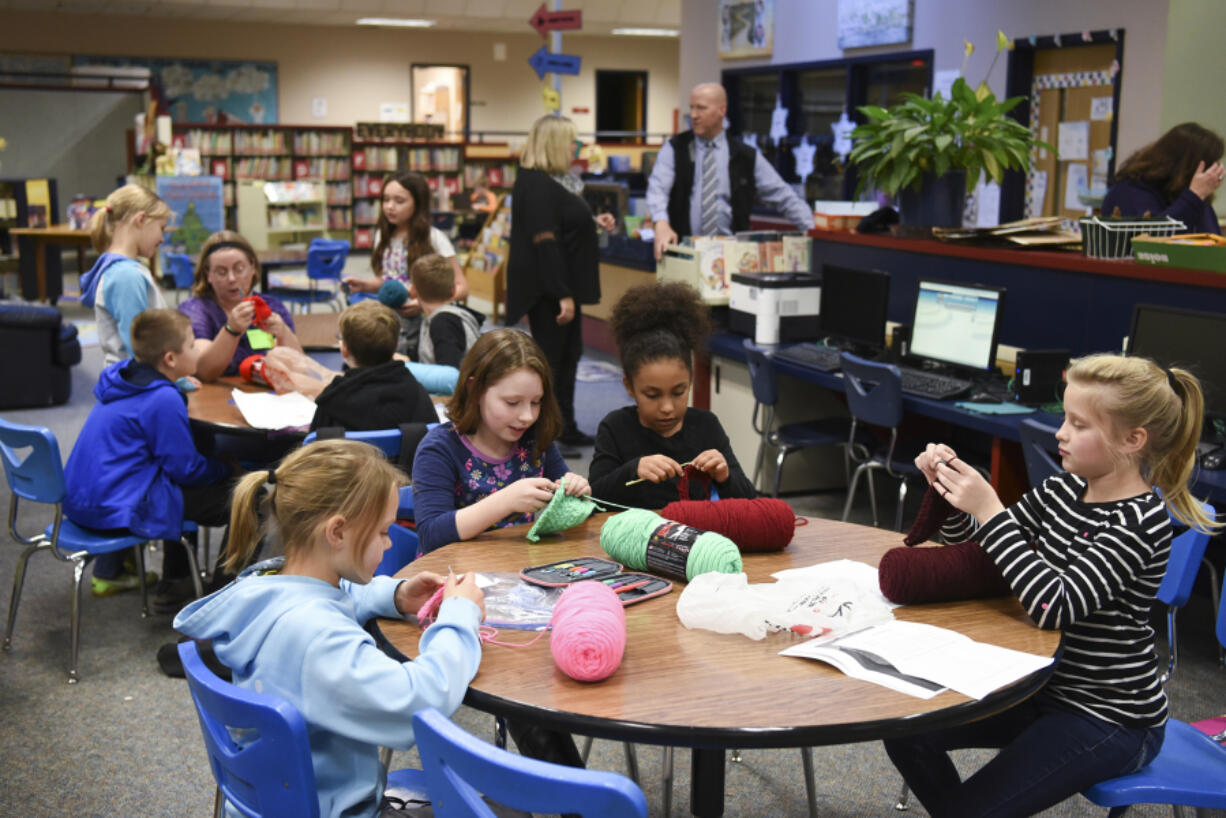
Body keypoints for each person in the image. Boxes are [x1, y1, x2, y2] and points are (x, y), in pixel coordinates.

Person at [882, 353, 1220, 818]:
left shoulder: (1141, 522)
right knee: (906, 730)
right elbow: (986, 558)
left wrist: (990, 509)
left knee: (972, 810)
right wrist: (955, 497)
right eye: (1065, 418)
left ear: (1132, 439)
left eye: (1079, 425)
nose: (1060, 433)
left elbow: (1052, 605)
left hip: (1109, 715)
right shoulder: (1063, 489)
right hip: (1042, 689)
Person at [174, 439, 485, 818]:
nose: (389, 544)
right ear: (337, 532)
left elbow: (337, 595)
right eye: (384, 532)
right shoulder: (318, 638)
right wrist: (459, 617)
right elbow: (418, 702)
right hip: (337, 809)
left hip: (282, 800)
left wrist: (398, 594)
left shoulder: (265, 585)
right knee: (502, 809)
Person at [63, 309, 233, 611]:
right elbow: (185, 470)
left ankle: (178, 580)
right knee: (249, 496)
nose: (197, 350)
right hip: (115, 508)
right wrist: (228, 469)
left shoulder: (125, 378)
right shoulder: (162, 400)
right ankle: (223, 598)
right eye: (192, 345)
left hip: (83, 500)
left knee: (178, 484)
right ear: (170, 359)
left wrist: (174, 388)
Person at [412, 327, 591, 556]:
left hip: (511, 570)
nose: (527, 416)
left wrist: (577, 492)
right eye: (512, 402)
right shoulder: (440, 448)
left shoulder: (534, 441)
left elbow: (577, 518)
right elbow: (431, 536)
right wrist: (506, 501)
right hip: (452, 576)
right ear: (474, 390)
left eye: (536, 402)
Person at [588, 282, 757, 508]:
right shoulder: (615, 427)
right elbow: (592, 498)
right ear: (629, 386)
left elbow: (750, 502)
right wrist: (632, 470)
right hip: (633, 537)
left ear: (690, 380)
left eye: (679, 392)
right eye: (652, 395)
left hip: (693, 536)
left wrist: (724, 475)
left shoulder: (706, 426)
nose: (667, 407)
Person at [507, 114, 616, 448]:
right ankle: (546, 435)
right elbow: (546, 242)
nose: (576, 147)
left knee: (570, 357)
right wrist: (562, 295)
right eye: (572, 141)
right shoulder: (537, 182)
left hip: (562, 284)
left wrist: (593, 222)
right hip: (549, 288)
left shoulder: (556, 180)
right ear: (555, 144)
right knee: (552, 362)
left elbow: (563, 223)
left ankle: (565, 426)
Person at [647, 82, 814, 261]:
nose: (694, 115)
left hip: (731, 257)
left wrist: (813, 230)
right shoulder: (675, 148)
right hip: (683, 254)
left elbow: (783, 195)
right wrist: (661, 223)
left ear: (722, 110)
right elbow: (658, 189)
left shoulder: (745, 155)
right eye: (692, 108)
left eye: (701, 108)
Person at [343, 172, 469, 358]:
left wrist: (423, 303)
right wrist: (366, 285)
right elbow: (390, 279)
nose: (390, 207)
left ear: (417, 204)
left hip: (424, 326)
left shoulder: (433, 238)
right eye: (385, 200)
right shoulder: (382, 236)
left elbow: (462, 287)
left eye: (399, 201)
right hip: (390, 326)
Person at [178, 230, 302, 381]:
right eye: (221, 272)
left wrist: (283, 333)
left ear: (252, 268)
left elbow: (300, 368)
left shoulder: (271, 306)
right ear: (208, 275)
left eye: (239, 269)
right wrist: (231, 330)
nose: (231, 278)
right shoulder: (195, 311)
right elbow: (203, 371)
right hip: (213, 397)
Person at [80, 183, 173, 366]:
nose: (162, 238)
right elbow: (140, 344)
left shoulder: (121, 269)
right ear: (141, 220)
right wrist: (173, 378)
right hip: (138, 383)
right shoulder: (126, 276)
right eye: (161, 228)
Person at [309, 299, 437, 431]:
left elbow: (312, 447)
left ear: (344, 350)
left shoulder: (331, 401)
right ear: (396, 346)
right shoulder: (416, 393)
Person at [1101, 122, 1225, 234]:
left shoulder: (1181, 191)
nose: (1210, 174)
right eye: (1209, 166)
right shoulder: (1130, 190)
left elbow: (1212, 242)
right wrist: (1195, 196)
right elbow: (1152, 240)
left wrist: (1201, 198)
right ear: (1187, 166)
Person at [410, 253, 483, 368]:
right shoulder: (451, 317)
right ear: (453, 290)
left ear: (413, 291)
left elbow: (448, 376)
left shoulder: (443, 324)